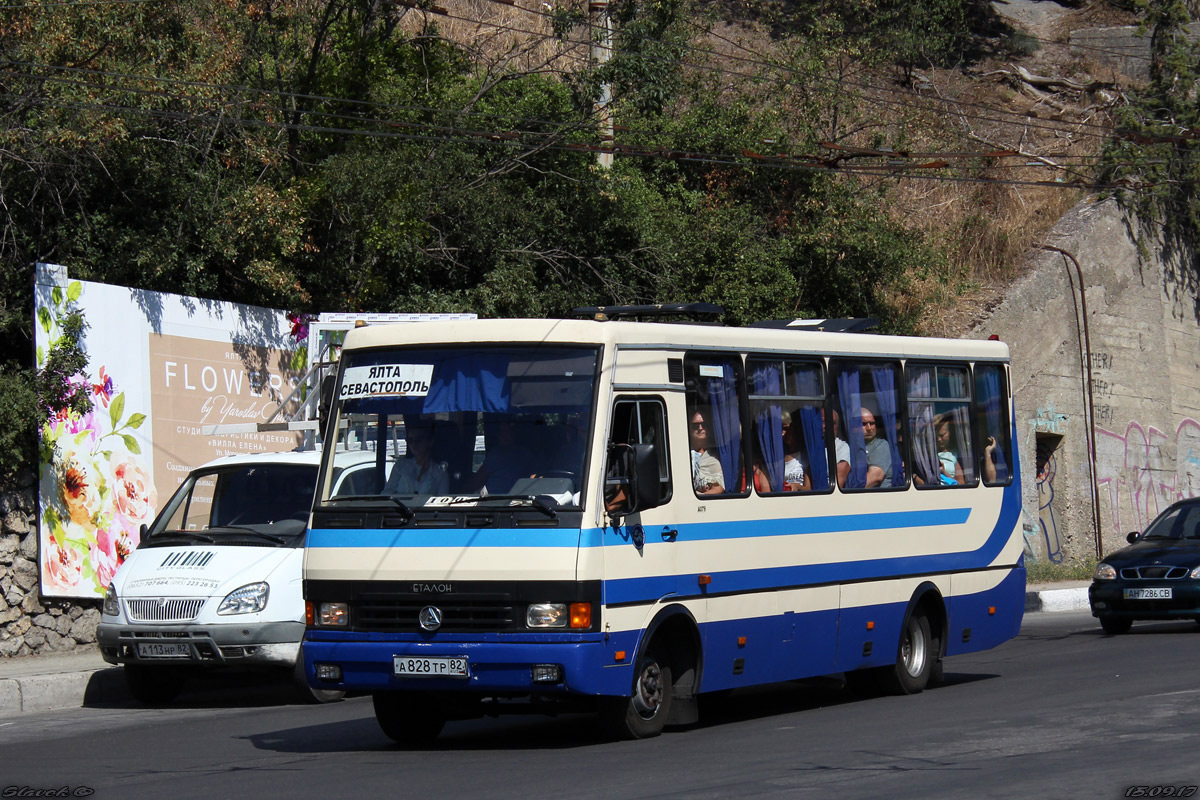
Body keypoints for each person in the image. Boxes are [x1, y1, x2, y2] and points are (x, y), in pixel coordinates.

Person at [385, 417, 449, 495]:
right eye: (410, 440)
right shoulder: (400, 466)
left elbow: (442, 502)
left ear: (430, 442)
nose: (414, 444)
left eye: (419, 440)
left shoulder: (440, 473)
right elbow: (386, 494)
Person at [689, 409, 724, 494]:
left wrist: (699, 496)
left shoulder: (715, 456)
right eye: (695, 425)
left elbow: (719, 487)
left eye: (703, 425)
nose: (700, 428)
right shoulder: (683, 454)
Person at [861, 407, 892, 488]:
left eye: (872, 423)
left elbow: (875, 477)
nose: (869, 428)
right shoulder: (852, 447)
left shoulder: (881, 445)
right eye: (863, 424)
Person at [780, 410, 811, 492]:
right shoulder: (777, 457)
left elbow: (809, 488)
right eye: (780, 429)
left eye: (786, 429)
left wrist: (796, 486)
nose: (783, 433)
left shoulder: (805, 456)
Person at [822, 407, 850, 489]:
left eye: (832, 423)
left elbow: (838, 481)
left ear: (837, 427)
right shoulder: (812, 449)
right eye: (823, 421)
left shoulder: (842, 447)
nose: (827, 426)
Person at [934, 414, 966, 486]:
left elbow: (962, 484)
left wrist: (944, 472)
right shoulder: (929, 455)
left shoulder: (954, 454)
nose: (939, 439)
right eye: (936, 437)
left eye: (942, 435)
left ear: (949, 433)